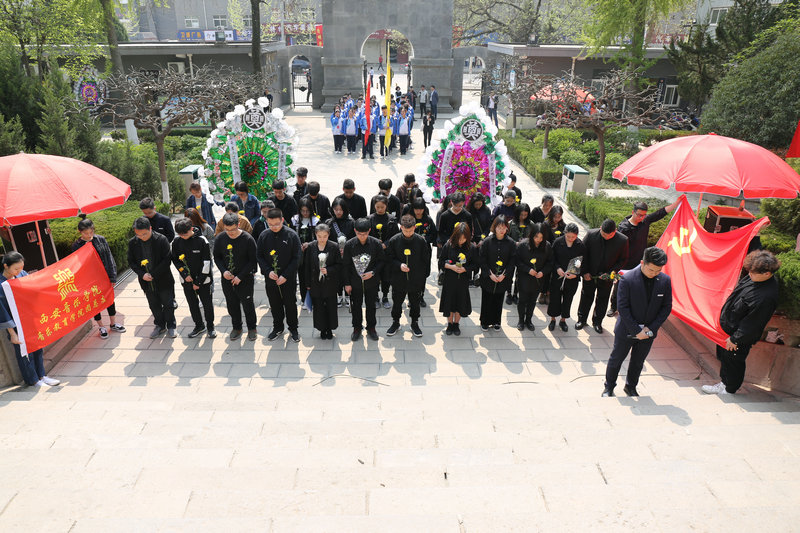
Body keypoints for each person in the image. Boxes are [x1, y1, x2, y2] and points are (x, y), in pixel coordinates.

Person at [702, 250, 780, 396]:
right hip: (728, 329)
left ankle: (729, 389)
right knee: (725, 358)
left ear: (767, 274)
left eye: (753, 273)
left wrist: (735, 339)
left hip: (738, 336)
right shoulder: (755, 277)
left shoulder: (766, 296)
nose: (749, 275)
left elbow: (753, 322)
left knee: (734, 361)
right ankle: (724, 383)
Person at [603, 247, 673, 397]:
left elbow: (666, 307)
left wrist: (650, 329)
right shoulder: (627, 279)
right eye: (651, 270)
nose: (654, 273)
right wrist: (637, 330)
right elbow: (623, 307)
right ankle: (609, 387)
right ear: (642, 263)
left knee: (638, 361)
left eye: (658, 270)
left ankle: (631, 386)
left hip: (648, 331)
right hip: (627, 329)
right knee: (616, 359)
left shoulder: (665, 281)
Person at [609, 199, 679, 316]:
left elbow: (660, 213)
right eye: (639, 215)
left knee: (637, 286)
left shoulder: (645, 222)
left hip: (640, 262)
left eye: (644, 215)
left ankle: (631, 308)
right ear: (633, 212)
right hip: (625, 263)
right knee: (619, 286)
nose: (642, 218)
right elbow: (617, 247)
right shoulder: (624, 228)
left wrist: (676, 203)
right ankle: (613, 307)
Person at [0, 252, 60, 387]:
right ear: (6, 266)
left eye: (21, 267)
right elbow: (2, 312)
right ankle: (33, 380)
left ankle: (42, 375)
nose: (19, 271)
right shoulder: (1, 284)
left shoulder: (22, 275)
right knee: (24, 352)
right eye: (16, 268)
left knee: (38, 347)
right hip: (16, 324)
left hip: (30, 319)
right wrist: (12, 334)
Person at [71, 218, 126, 338]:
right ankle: (101, 326)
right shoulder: (76, 246)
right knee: (94, 303)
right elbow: (76, 264)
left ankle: (113, 323)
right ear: (80, 232)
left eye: (91, 232)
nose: (89, 235)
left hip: (104, 276)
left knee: (109, 299)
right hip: (89, 280)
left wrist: (112, 276)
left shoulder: (100, 239)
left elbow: (109, 257)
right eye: (86, 233)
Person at [257, 208, 302, 342]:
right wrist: (268, 271)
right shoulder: (264, 235)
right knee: (275, 304)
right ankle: (277, 328)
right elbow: (259, 256)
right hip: (271, 278)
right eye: (270, 224)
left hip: (288, 278)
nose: (274, 227)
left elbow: (297, 258)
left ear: (282, 220)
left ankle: (293, 329)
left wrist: (286, 275)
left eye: (277, 224)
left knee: (290, 304)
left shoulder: (291, 235)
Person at [576, 219, 629, 334]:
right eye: (604, 234)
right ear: (600, 228)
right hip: (590, 274)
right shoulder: (591, 235)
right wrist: (584, 272)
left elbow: (623, 260)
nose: (606, 237)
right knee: (586, 296)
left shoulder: (622, 240)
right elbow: (582, 254)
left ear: (615, 231)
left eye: (610, 235)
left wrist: (610, 273)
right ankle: (581, 319)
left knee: (603, 299)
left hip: (607, 277)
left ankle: (597, 322)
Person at [128, 216, 176, 339]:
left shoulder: (161, 239)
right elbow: (131, 262)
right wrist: (142, 274)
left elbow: (167, 260)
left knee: (168, 303)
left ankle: (171, 325)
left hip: (163, 278)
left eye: (144, 234)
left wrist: (153, 274)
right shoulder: (133, 243)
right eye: (138, 235)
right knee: (153, 304)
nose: (142, 237)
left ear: (150, 228)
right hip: (146, 280)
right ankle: (160, 325)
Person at [213, 212, 258, 341]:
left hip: (245, 278)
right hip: (227, 278)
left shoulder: (248, 239)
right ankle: (237, 327)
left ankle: (252, 328)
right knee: (232, 304)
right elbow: (217, 257)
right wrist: (223, 271)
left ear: (238, 225)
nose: (230, 233)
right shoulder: (220, 238)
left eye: (233, 229)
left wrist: (241, 276)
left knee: (248, 304)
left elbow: (252, 261)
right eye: (227, 230)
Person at [385, 215, 431, 337]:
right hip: (398, 278)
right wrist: (399, 265)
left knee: (415, 303)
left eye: (410, 230)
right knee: (397, 303)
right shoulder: (394, 240)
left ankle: (414, 323)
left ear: (415, 227)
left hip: (415, 279)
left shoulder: (421, 241)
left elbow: (425, 260)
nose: (408, 233)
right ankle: (395, 322)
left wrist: (422, 277)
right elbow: (389, 259)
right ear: (401, 227)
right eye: (406, 230)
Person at [172, 217, 215, 339]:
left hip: (204, 280)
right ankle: (199, 325)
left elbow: (207, 263)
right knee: (192, 304)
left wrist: (198, 282)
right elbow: (175, 260)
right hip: (186, 280)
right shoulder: (176, 242)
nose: (183, 237)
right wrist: (185, 274)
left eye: (185, 234)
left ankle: (210, 327)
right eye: (180, 235)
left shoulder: (202, 241)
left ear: (191, 229)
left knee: (207, 304)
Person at [342, 218, 383, 341]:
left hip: (371, 281)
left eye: (365, 234)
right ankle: (357, 328)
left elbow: (382, 261)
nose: (362, 236)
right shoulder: (349, 245)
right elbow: (345, 266)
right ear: (355, 231)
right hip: (355, 282)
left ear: (369, 231)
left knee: (371, 305)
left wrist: (373, 272)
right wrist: (347, 284)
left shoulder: (376, 243)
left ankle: (371, 327)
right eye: (359, 234)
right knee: (356, 306)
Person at [303, 224, 342, 339]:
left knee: (331, 306)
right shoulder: (311, 247)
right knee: (318, 307)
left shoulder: (334, 246)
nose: (322, 239)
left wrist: (328, 270)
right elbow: (307, 266)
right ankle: (322, 328)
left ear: (328, 235)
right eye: (319, 236)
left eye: (325, 236)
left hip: (330, 283)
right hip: (315, 282)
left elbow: (339, 265)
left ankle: (330, 328)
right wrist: (307, 284)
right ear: (315, 235)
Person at [478, 215, 516, 331]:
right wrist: (490, 274)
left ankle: (496, 321)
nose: (501, 230)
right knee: (487, 299)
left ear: (507, 228)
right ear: (494, 227)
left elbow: (512, 261)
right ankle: (485, 321)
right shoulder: (487, 242)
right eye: (499, 227)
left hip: (502, 278)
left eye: (504, 227)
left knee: (498, 300)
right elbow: (482, 259)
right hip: (488, 276)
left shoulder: (511, 243)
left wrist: (504, 274)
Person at [439, 221, 476, 336]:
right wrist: (451, 267)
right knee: (449, 302)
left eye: (464, 238)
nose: (461, 241)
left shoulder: (471, 247)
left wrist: (465, 269)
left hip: (463, 280)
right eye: (459, 238)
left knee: (460, 302)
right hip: (450, 279)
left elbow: (475, 264)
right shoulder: (448, 245)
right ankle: (450, 323)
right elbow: (441, 262)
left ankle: (456, 323)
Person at [547, 223, 586, 332]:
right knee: (554, 298)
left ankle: (563, 320)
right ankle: (553, 319)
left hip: (572, 279)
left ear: (577, 235)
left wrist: (576, 274)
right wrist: (557, 268)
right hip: (558, 276)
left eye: (573, 237)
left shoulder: (580, 245)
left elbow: (584, 263)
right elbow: (552, 258)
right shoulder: (558, 242)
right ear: (564, 233)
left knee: (568, 299)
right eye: (568, 236)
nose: (570, 239)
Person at [514, 223, 552, 331]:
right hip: (524, 278)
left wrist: (543, 272)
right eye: (536, 237)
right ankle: (521, 320)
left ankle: (528, 320)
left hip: (538, 279)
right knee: (522, 300)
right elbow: (517, 261)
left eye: (541, 237)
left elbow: (550, 263)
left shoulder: (547, 246)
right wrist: (528, 269)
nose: (538, 240)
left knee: (532, 301)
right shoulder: (523, 245)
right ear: (531, 235)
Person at [368, 195, 400, 309]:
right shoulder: (370, 219)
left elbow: (396, 236)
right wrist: (376, 243)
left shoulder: (391, 219)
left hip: (387, 253)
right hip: (374, 253)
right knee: (375, 275)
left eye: (382, 207)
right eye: (377, 207)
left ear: (386, 206)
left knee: (386, 276)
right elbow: (367, 235)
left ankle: (385, 296)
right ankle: (376, 297)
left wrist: (386, 244)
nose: (380, 209)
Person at [326, 197, 356, 307]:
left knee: (347, 273)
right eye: (336, 209)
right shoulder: (329, 223)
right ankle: (338, 295)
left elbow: (354, 238)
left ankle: (348, 295)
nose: (338, 212)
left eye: (340, 209)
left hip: (348, 253)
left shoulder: (351, 222)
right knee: (336, 275)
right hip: (334, 254)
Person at [291, 198, 320, 310]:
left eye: (307, 211)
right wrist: (298, 245)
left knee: (313, 275)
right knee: (302, 276)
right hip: (300, 253)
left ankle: (315, 298)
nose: (305, 213)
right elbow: (292, 235)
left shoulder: (316, 221)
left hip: (312, 252)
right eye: (303, 211)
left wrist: (310, 244)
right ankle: (304, 299)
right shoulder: (295, 220)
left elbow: (319, 236)